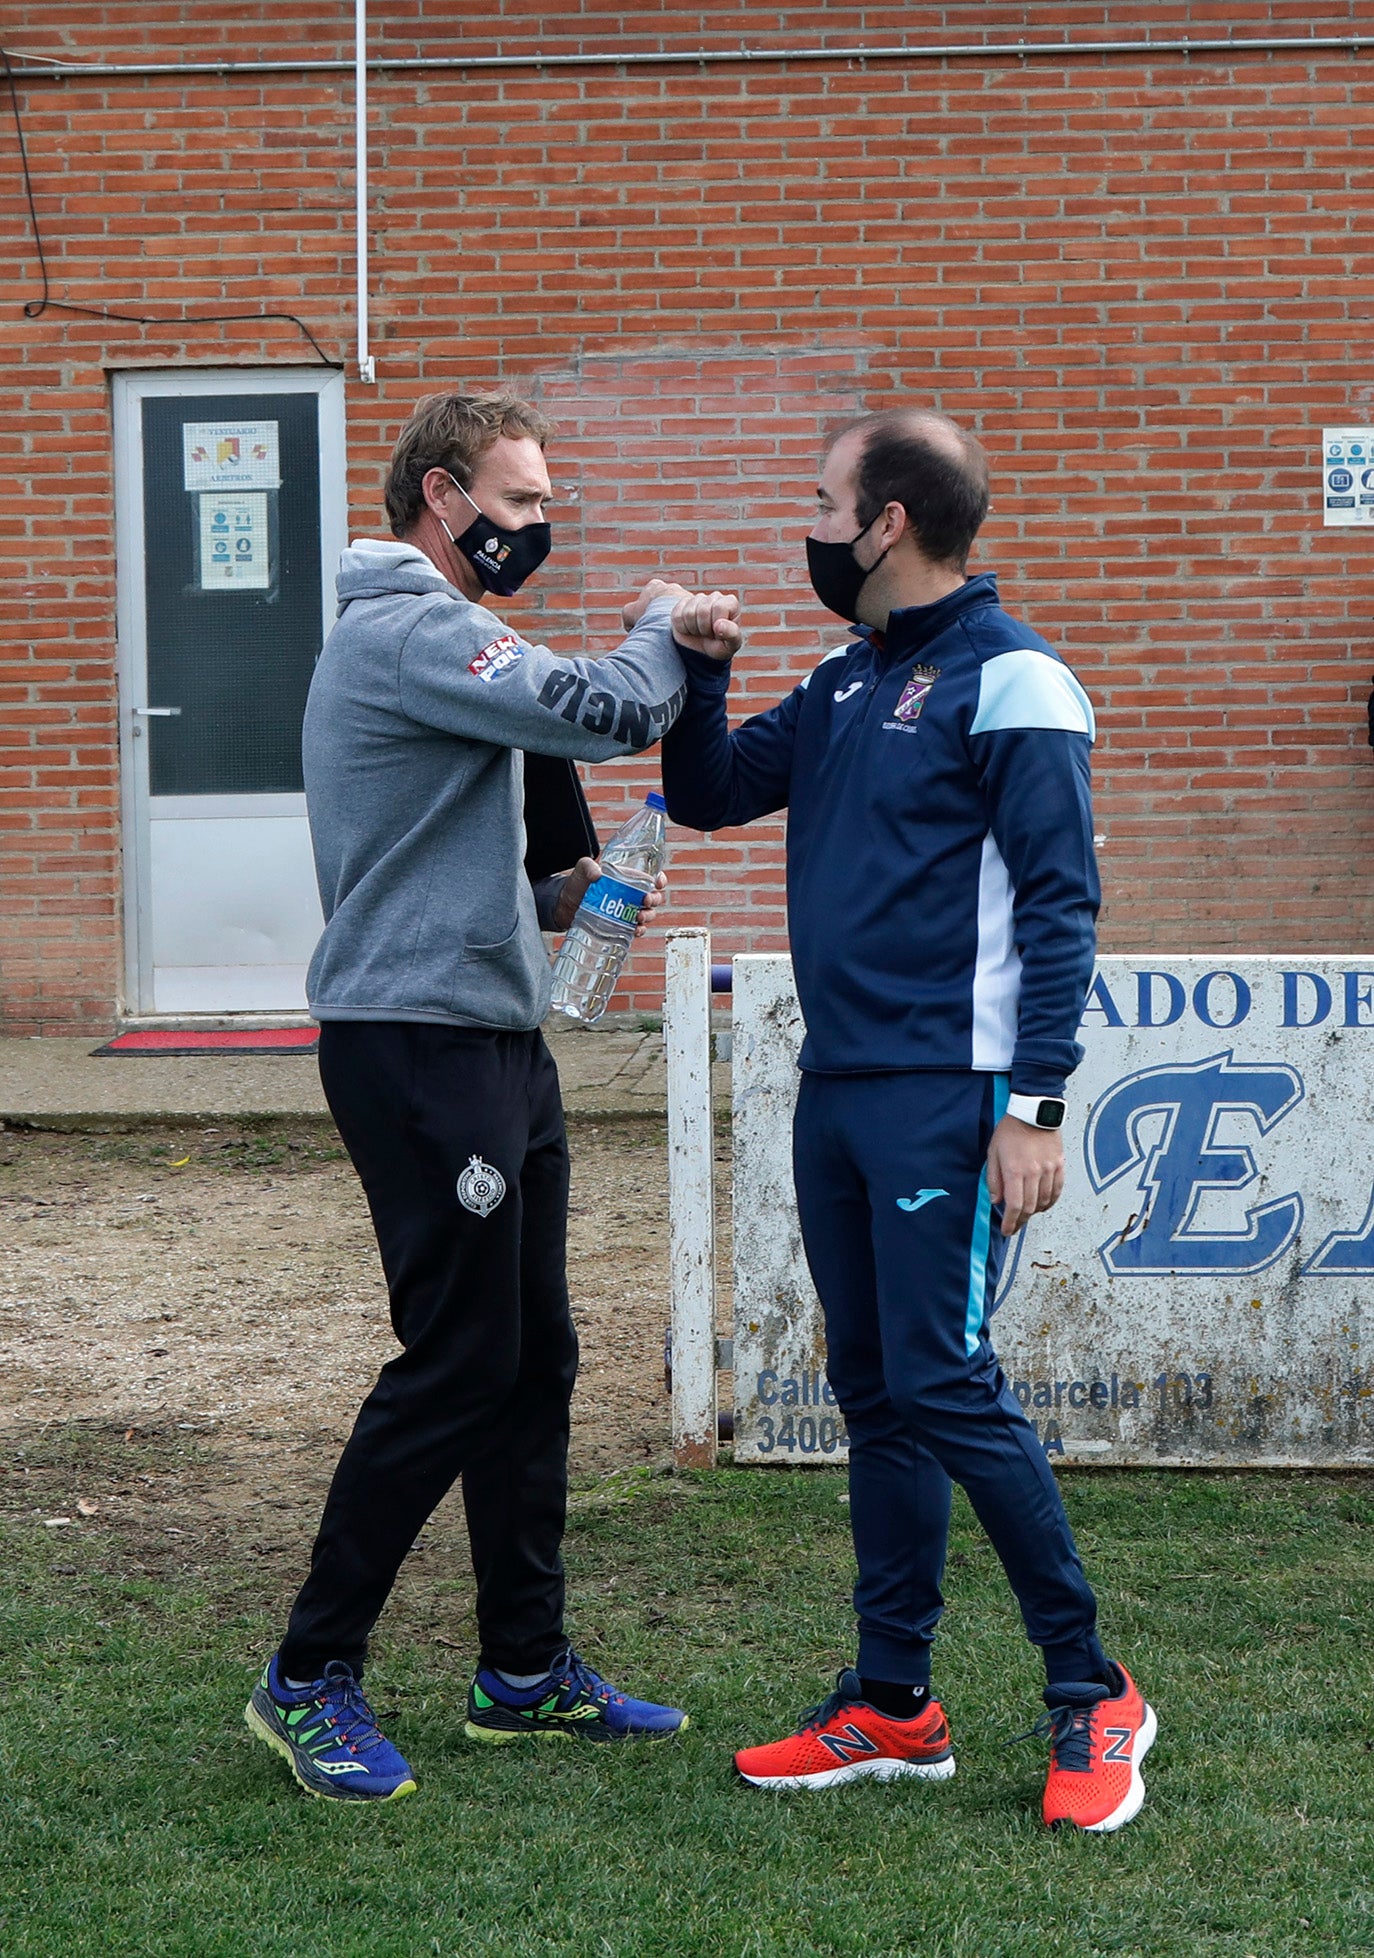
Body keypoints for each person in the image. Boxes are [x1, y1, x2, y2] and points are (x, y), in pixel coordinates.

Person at [661, 408, 1155, 1833]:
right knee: (875, 1391)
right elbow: (707, 793)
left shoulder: (1017, 681)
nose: (809, 529)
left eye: (824, 504)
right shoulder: (838, 679)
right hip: (839, 1088)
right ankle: (893, 1703)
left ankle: (1093, 1689)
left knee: (943, 1384)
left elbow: (1060, 909)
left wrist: (1035, 1107)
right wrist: (702, 672)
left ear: (885, 524)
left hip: (954, 1096)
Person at [244, 390, 740, 1802]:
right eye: (521, 503)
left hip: (494, 1040)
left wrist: (565, 897)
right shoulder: (408, 629)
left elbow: (477, 854)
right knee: (459, 1359)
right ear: (443, 496)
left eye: (543, 505)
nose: (537, 525)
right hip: (415, 1045)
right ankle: (306, 1677)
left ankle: (522, 1671)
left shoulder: (454, 641)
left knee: (533, 1357)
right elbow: (608, 707)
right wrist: (663, 626)